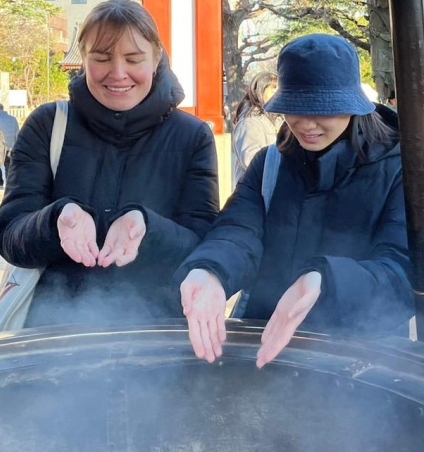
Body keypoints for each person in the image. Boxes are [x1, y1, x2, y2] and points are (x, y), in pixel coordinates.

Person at [175, 34, 415, 367]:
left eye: (321, 110)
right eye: (294, 108)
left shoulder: (400, 169)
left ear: (352, 105)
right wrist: (211, 270)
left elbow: (401, 269)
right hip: (267, 346)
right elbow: (238, 230)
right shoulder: (270, 163)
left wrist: (326, 281)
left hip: (360, 362)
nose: (305, 123)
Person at [0, 0, 220, 327]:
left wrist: (149, 230)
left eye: (133, 59)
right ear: (83, 59)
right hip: (54, 330)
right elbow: (9, 235)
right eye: (101, 58)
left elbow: (202, 246)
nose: (118, 73)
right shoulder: (48, 124)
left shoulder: (191, 136)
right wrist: (55, 220)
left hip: (157, 334)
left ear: (157, 59)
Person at [232, 70, 281, 186]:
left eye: (279, 90)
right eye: (273, 89)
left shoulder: (277, 118)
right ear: (259, 91)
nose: (278, 94)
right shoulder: (250, 122)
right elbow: (250, 161)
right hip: (253, 191)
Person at [0, 103, 20, 187]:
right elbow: (17, 132)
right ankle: (9, 182)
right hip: (11, 145)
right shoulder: (13, 119)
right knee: (8, 164)